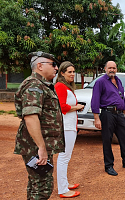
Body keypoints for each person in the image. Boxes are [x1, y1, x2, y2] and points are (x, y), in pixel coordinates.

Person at [14, 51, 65, 199]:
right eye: (53, 64)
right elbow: (30, 116)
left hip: (40, 145)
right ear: (40, 66)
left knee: (37, 184)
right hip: (36, 146)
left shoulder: (42, 85)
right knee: (42, 187)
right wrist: (41, 148)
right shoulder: (34, 85)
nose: (56, 68)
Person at [91, 61, 125, 176]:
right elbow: (95, 101)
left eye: (114, 68)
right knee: (107, 140)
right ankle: (109, 166)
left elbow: (122, 99)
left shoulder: (118, 81)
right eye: (110, 68)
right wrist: (96, 118)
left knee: (124, 138)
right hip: (107, 114)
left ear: (116, 69)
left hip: (119, 114)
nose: (112, 70)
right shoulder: (100, 82)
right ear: (105, 69)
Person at [55, 61, 84, 198]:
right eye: (69, 72)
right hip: (66, 126)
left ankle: (64, 184)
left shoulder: (66, 87)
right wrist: (77, 107)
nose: (72, 74)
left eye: (73, 72)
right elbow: (62, 107)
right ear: (62, 73)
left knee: (65, 157)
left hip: (70, 125)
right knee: (64, 157)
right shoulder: (60, 86)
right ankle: (63, 190)